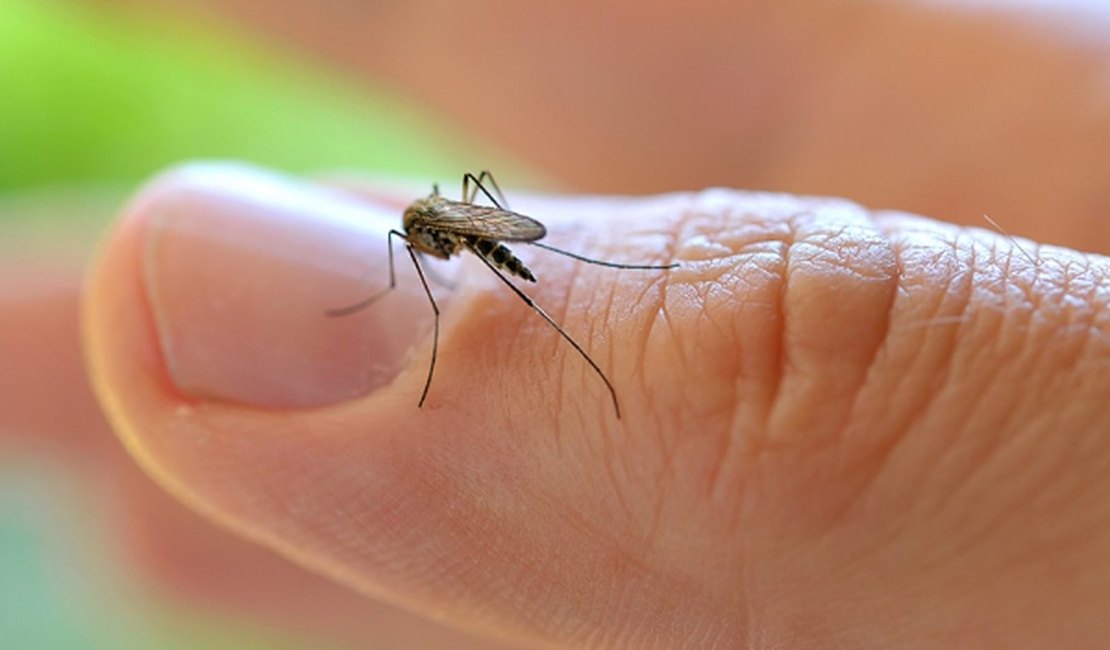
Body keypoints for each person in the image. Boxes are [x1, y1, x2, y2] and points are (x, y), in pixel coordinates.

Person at [6, 2, 1110, 647]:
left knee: (502, 275)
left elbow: (456, 237)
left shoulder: (439, 227)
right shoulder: (424, 228)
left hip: (515, 231)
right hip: (487, 227)